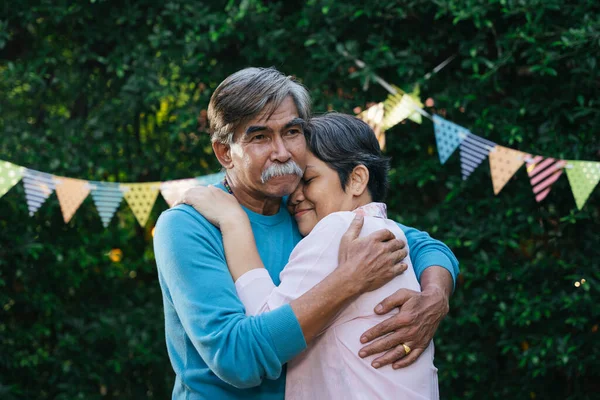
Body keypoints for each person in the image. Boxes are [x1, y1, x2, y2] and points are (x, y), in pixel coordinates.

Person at [154, 67, 458, 399]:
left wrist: (434, 296)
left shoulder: (304, 207)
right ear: (225, 152)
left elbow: (419, 244)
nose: (282, 152)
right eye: (260, 137)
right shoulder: (187, 226)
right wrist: (348, 280)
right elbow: (238, 358)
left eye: (292, 132)